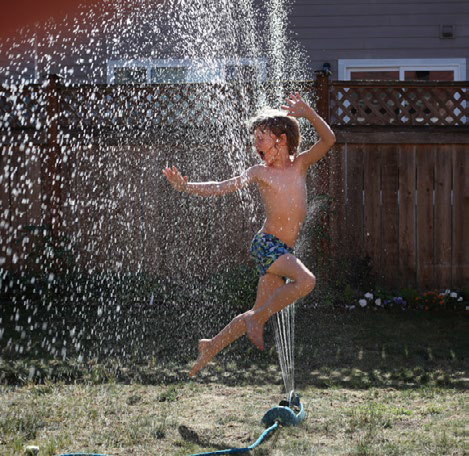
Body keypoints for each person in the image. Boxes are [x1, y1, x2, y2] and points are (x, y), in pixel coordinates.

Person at [162, 92, 336, 377]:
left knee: (258, 309)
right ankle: (257, 319)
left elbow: (329, 140)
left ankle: (210, 346)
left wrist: (309, 114)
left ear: (280, 139)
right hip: (267, 245)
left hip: (283, 250)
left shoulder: (300, 165)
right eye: (254, 138)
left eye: (261, 137)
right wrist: (186, 186)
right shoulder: (259, 171)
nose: (255, 143)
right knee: (306, 281)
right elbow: (221, 185)